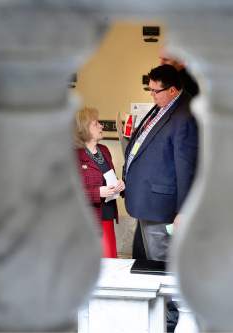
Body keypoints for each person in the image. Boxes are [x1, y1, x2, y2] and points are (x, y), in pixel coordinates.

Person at [124, 64, 199, 262]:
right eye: (150, 90)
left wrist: (183, 210)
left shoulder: (185, 116)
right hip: (146, 198)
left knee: (160, 262)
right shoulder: (164, 107)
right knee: (147, 257)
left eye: (155, 91)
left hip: (160, 204)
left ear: (172, 90)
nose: (152, 95)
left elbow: (186, 167)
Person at [75, 107, 125, 258]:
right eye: (96, 123)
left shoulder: (104, 150)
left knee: (110, 264)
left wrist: (120, 185)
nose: (101, 126)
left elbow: (110, 178)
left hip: (107, 215)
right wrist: (98, 192)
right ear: (84, 128)